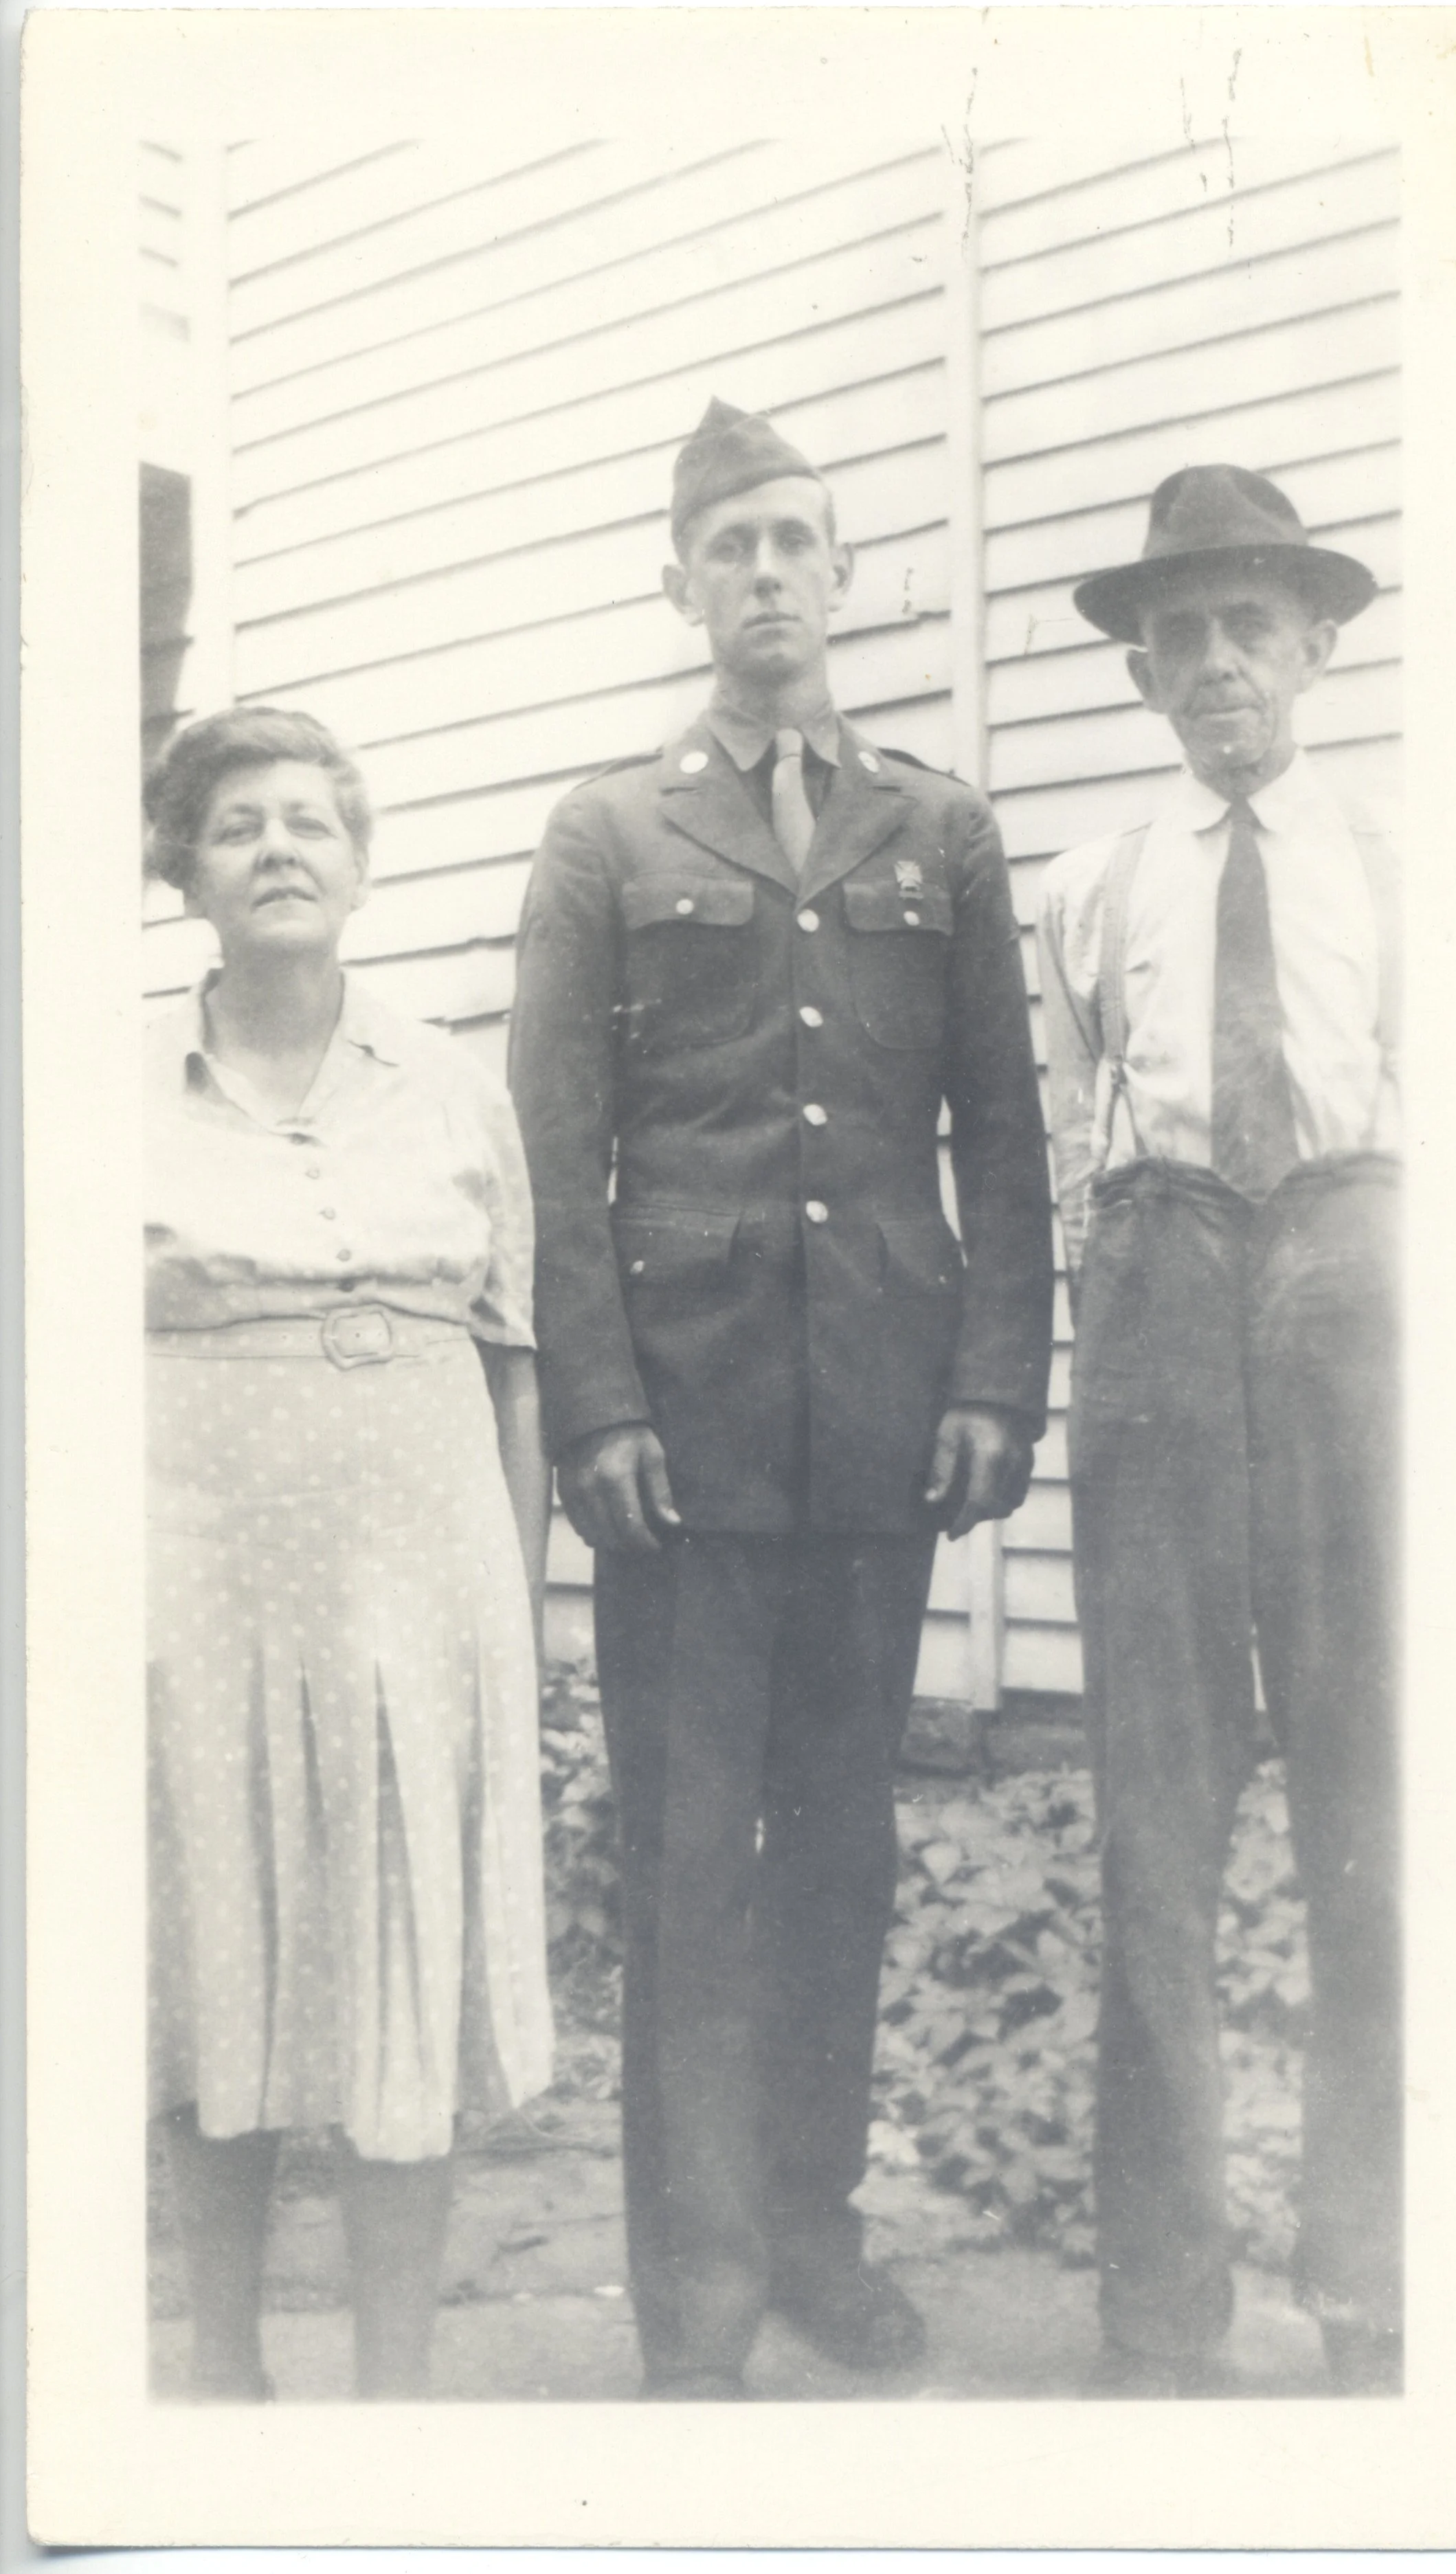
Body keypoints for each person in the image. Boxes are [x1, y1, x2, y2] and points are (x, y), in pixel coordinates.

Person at [511, 400, 1053, 2398]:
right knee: (690, 1863)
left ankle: (816, 2235)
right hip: (685, 1438)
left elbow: (1000, 1141)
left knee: (843, 1851)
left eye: (796, 542)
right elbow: (551, 1160)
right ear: (680, 585)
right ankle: (700, 2288)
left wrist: (996, 1378)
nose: (764, 576)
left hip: (880, 1429)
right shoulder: (609, 834)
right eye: (727, 545)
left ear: (843, 580)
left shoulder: (945, 831)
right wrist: (596, 1414)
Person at [1035, 465, 1402, 2397]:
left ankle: (1376, 2279)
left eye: (1248, 623)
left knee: (1378, 1808)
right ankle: (1162, 2309)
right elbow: (1076, 1122)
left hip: (1356, 1291)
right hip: (1169, 1294)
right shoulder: (1096, 886)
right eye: (1179, 635)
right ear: (1147, 672)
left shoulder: (1402, 862)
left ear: (1317, 643)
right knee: (1158, 1826)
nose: (1215, 664)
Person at [144, 705, 554, 2399]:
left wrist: (511, 1612)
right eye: (239, 825)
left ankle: (397, 2390)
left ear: (362, 864)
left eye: (312, 821)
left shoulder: (452, 1085)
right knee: (209, 1951)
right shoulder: (101, 1091)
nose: (281, 849)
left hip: (421, 1580)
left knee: (408, 1967)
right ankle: (222, 2375)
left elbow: (516, 1353)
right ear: (188, 871)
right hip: (196, 1588)